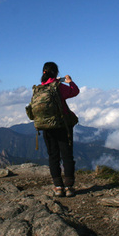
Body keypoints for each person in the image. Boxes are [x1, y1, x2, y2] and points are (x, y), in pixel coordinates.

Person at [40, 62, 80, 197]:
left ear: (43, 72)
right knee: (67, 155)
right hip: (62, 126)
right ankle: (68, 187)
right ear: (56, 73)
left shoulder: (40, 88)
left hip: (46, 127)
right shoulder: (59, 87)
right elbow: (75, 91)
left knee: (53, 156)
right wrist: (70, 81)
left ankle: (58, 187)